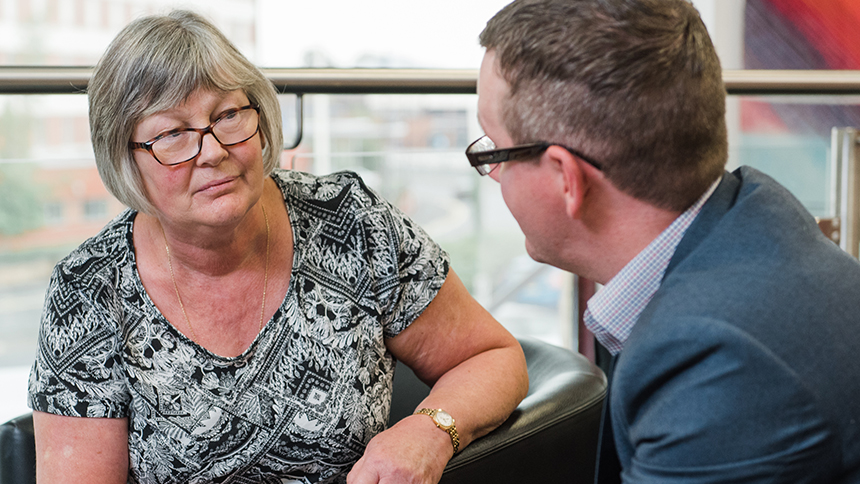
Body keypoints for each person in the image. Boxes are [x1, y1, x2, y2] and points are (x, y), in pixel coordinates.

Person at [28, 10, 528, 484]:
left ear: (260, 117)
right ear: (126, 158)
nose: (213, 151)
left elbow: (493, 356)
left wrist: (430, 431)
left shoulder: (351, 223)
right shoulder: (88, 292)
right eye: (174, 134)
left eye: (227, 115)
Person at [470, 0, 860, 482]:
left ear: (565, 177)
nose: (492, 173)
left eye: (494, 149)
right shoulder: (751, 214)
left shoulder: (718, 359)